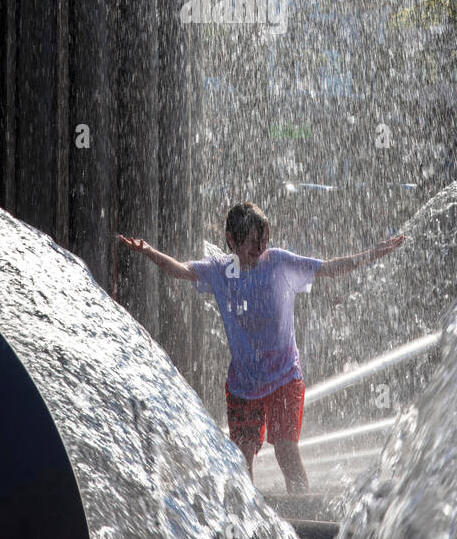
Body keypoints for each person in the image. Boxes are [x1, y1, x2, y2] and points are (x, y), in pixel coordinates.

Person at [118, 201, 405, 495]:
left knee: (286, 452)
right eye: (253, 240)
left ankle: (302, 517)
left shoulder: (278, 263)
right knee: (241, 460)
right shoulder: (220, 270)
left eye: (264, 239)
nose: (260, 246)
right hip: (244, 383)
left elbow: (329, 269)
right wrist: (149, 252)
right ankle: (250, 530)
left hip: (284, 376)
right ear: (231, 239)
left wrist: (374, 253)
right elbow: (181, 270)